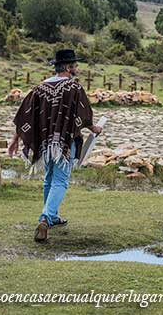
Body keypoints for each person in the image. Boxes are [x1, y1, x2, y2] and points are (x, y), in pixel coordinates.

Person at [8, 49, 103, 242]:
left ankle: (52, 216)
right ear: (68, 67)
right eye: (74, 65)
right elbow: (83, 115)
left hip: (44, 143)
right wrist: (95, 128)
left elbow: (24, 115)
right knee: (60, 180)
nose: (76, 68)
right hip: (64, 143)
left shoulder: (39, 88)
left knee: (49, 179)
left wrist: (15, 139)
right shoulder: (73, 88)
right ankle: (45, 218)